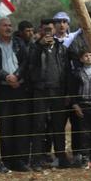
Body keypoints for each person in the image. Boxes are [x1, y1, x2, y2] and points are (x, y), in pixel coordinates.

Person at [0, 16, 31, 171]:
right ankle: (7, 161)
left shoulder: (19, 43)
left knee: (21, 126)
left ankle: (21, 161)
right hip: (3, 90)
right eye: (5, 25)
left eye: (10, 25)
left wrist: (17, 75)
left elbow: (26, 62)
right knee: (6, 126)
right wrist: (6, 76)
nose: (8, 28)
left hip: (20, 88)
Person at [28, 21, 69, 169]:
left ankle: (61, 158)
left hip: (58, 91)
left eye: (50, 29)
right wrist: (40, 46)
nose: (48, 32)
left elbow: (66, 71)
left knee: (58, 126)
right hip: (40, 91)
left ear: (54, 30)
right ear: (40, 30)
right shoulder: (34, 47)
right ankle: (37, 160)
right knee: (39, 125)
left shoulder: (61, 48)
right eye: (45, 29)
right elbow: (30, 66)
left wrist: (67, 93)